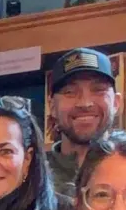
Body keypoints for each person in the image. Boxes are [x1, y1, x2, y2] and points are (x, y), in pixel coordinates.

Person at [43, 48, 119, 200]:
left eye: (98, 90)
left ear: (117, 103)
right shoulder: (33, 176)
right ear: (52, 107)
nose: (85, 103)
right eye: (70, 92)